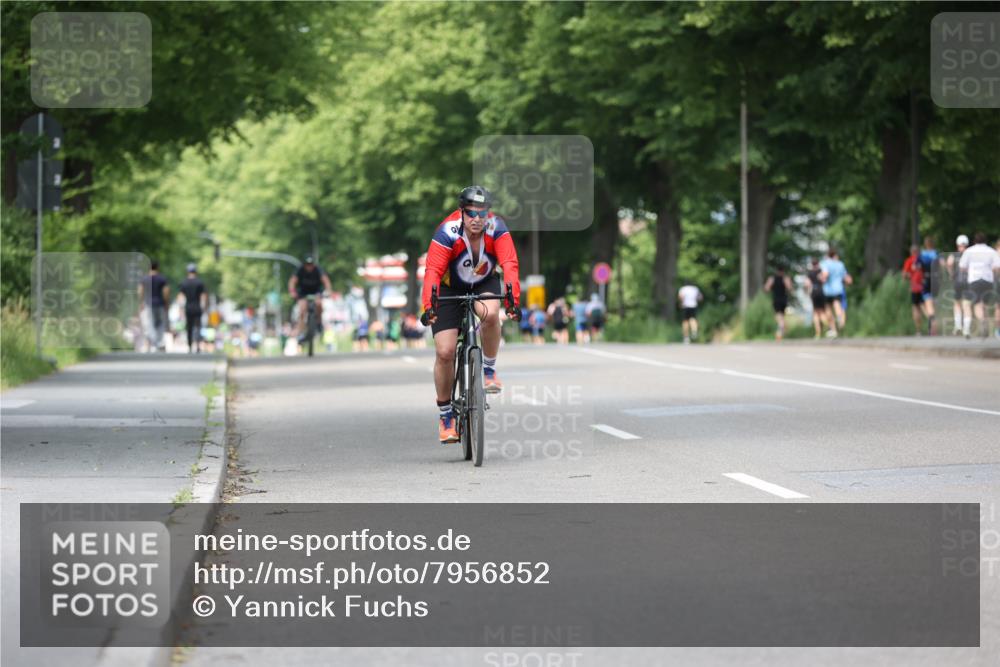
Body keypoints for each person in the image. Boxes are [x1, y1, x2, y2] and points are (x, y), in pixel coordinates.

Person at [420, 185, 521, 444]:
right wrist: (429, 306)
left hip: (483, 281)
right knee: (445, 351)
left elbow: (509, 263)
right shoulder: (447, 231)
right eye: (471, 213)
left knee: (491, 314)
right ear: (461, 212)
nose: (477, 219)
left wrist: (513, 300)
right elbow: (432, 271)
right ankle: (446, 415)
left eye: (482, 213)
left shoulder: (497, 228)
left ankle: (488, 369)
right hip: (449, 286)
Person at [958, 231, 1000, 339]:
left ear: (974, 241)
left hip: (974, 280)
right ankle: (985, 322)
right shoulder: (991, 251)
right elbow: (997, 267)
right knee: (984, 304)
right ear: (985, 240)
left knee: (977, 304)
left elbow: (962, 266)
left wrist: (969, 270)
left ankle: (982, 320)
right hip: (988, 280)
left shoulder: (969, 251)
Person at [288, 256, 333, 342]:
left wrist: (328, 290)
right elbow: (292, 281)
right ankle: (301, 330)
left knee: (319, 304)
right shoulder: (300, 270)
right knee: (302, 309)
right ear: (304, 265)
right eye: (307, 265)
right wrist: (292, 291)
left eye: (311, 264)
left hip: (316, 291)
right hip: (303, 292)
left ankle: (319, 323)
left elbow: (326, 281)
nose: (309, 267)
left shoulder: (318, 269)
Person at [138, 261, 170, 352]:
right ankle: (160, 343)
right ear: (157, 267)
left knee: (149, 323)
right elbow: (166, 292)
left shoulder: (144, 279)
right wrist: (166, 303)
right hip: (160, 304)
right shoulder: (162, 279)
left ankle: (150, 343)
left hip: (148, 304)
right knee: (160, 323)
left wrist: (141, 302)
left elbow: (140, 291)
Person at [820, 248, 852, 336]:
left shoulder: (825, 263)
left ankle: (833, 329)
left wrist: (821, 278)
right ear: (835, 255)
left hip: (828, 290)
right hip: (838, 288)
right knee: (837, 304)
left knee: (828, 309)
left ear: (828, 255)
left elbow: (825, 274)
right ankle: (839, 319)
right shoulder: (840, 264)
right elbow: (846, 278)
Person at [176, 263, 207, 353]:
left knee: (189, 327)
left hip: (188, 308)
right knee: (197, 327)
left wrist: (180, 309)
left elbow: (180, 297)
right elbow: (203, 296)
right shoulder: (200, 282)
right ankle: (197, 345)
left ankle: (189, 346)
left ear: (187, 271)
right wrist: (204, 307)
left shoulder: (184, 283)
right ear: (195, 271)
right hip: (197, 307)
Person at [947, 235, 970, 335]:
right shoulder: (970, 255)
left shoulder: (953, 255)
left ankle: (958, 325)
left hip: (957, 282)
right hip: (968, 282)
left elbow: (949, 263)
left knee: (957, 303)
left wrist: (951, 274)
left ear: (957, 245)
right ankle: (966, 328)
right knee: (966, 304)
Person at [764, 266, 793, 341]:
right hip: (784, 300)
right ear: (783, 271)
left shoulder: (772, 279)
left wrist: (771, 289)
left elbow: (766, 288)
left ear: (776, 271)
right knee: (782, 317)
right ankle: (784, 328)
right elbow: (790, 288)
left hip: (776, 299)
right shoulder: (785, 278)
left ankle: (779, 333)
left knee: (778, 317)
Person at [903, 245, 927, 335]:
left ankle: (918, 330)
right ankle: (932, 325)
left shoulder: (909, 261)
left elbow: (904, 275)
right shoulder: (923, 260)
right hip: (924, 286)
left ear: (911, 252)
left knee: (915, 308)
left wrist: (909, 276)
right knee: (924, 306)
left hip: (914, 287)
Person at [919, 235, 939, 335]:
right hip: (935, 280)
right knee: (933, 304)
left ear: (925, 244)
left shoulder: (922, 254)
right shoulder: (936, 253)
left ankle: (932, 325)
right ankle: (934, 323)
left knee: (927, 305)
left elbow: (917, 267)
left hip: (926, 279)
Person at [804, 257, 829, 338]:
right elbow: (824, 280)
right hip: (821, 292)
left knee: (815, 313)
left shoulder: (810, 273)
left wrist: (807, 292)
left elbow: (807, 284)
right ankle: (828, 327)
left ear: (812, 264)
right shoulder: (821, 271)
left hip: (814, 293)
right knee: (822, 312)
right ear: (818, 263)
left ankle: (818, 333)